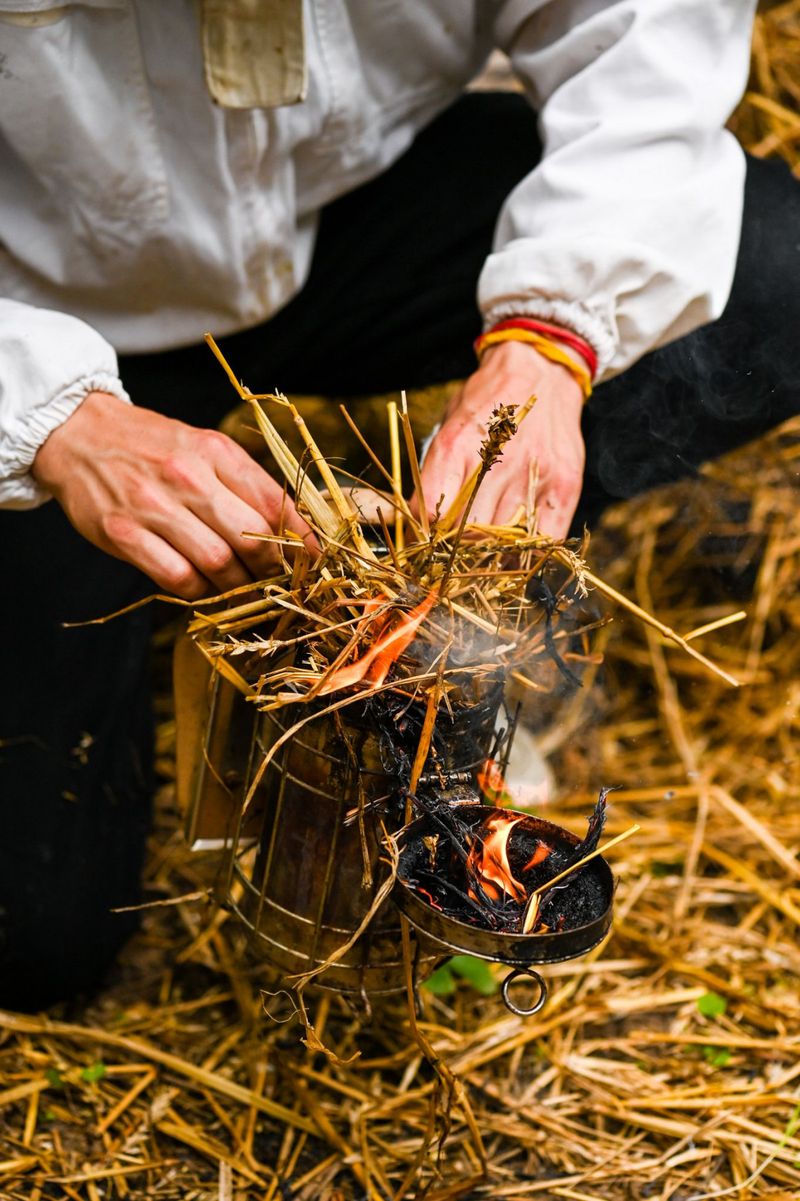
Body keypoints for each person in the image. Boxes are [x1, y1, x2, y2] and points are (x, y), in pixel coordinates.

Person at [0, 1, 797, 1010]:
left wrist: (550, 338)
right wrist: (50, 418)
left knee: (772, 267)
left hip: (346, 210)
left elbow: (641, 24)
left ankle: (463, 642)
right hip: (47, 290)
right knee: (38, 938)